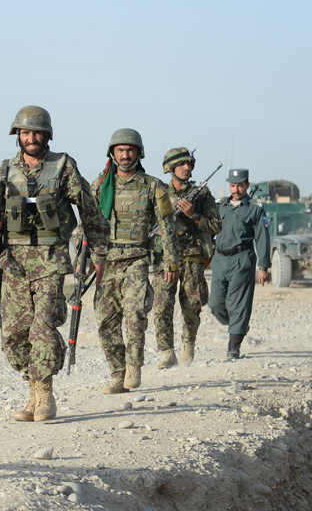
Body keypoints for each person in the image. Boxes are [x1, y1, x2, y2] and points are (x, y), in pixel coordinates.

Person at [0, 106, 109, 422]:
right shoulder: (4, 171)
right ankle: (32, 392)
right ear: (18, 136)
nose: (31, 138)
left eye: (36, 132)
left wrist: (98, 253)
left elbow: (89, 209)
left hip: (50, 259)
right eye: (25, 133)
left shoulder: (62, 167)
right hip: (12, 262)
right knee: (14, 334)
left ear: (47, 135)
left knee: (42, 326)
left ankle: (45, 395)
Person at [91, 129, 179, 393]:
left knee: (134, 313)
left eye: (130, 149)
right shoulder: (99, 185)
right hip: (106, 261)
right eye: (120, 150)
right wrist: (84, 259)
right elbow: (87, 225)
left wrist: (171, 262)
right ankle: (117, 374)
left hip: (136, 259)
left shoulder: (153, 186)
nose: (125, 154)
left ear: (139, 153)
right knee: (106, 320)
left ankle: (133, 366)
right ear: (112, 153)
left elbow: (168, 225)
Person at [151, 148, 222, 369]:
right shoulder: (159, 192)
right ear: (170, 168)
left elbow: (217, 225)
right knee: (162, 305)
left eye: (189, 164)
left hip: (192, 255)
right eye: (182, 164)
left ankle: (188, 346)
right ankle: (166, 351)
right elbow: (146, 225)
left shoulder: (201, 194)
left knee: (192, 304)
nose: (187, 168)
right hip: (166, 257)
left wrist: (195, 215)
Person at [209, 168, 271, 359]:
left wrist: (263, 267)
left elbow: (262, 238)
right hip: (219, 259)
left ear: (247, 185)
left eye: (240, 185)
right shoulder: (219, 206)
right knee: (215, 304)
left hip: (242, 259)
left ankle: (233, 346)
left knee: (238, 303)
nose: (236, 189)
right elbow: (208, 229)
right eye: (233, 185)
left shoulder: (255, 209)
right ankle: (238, 324)